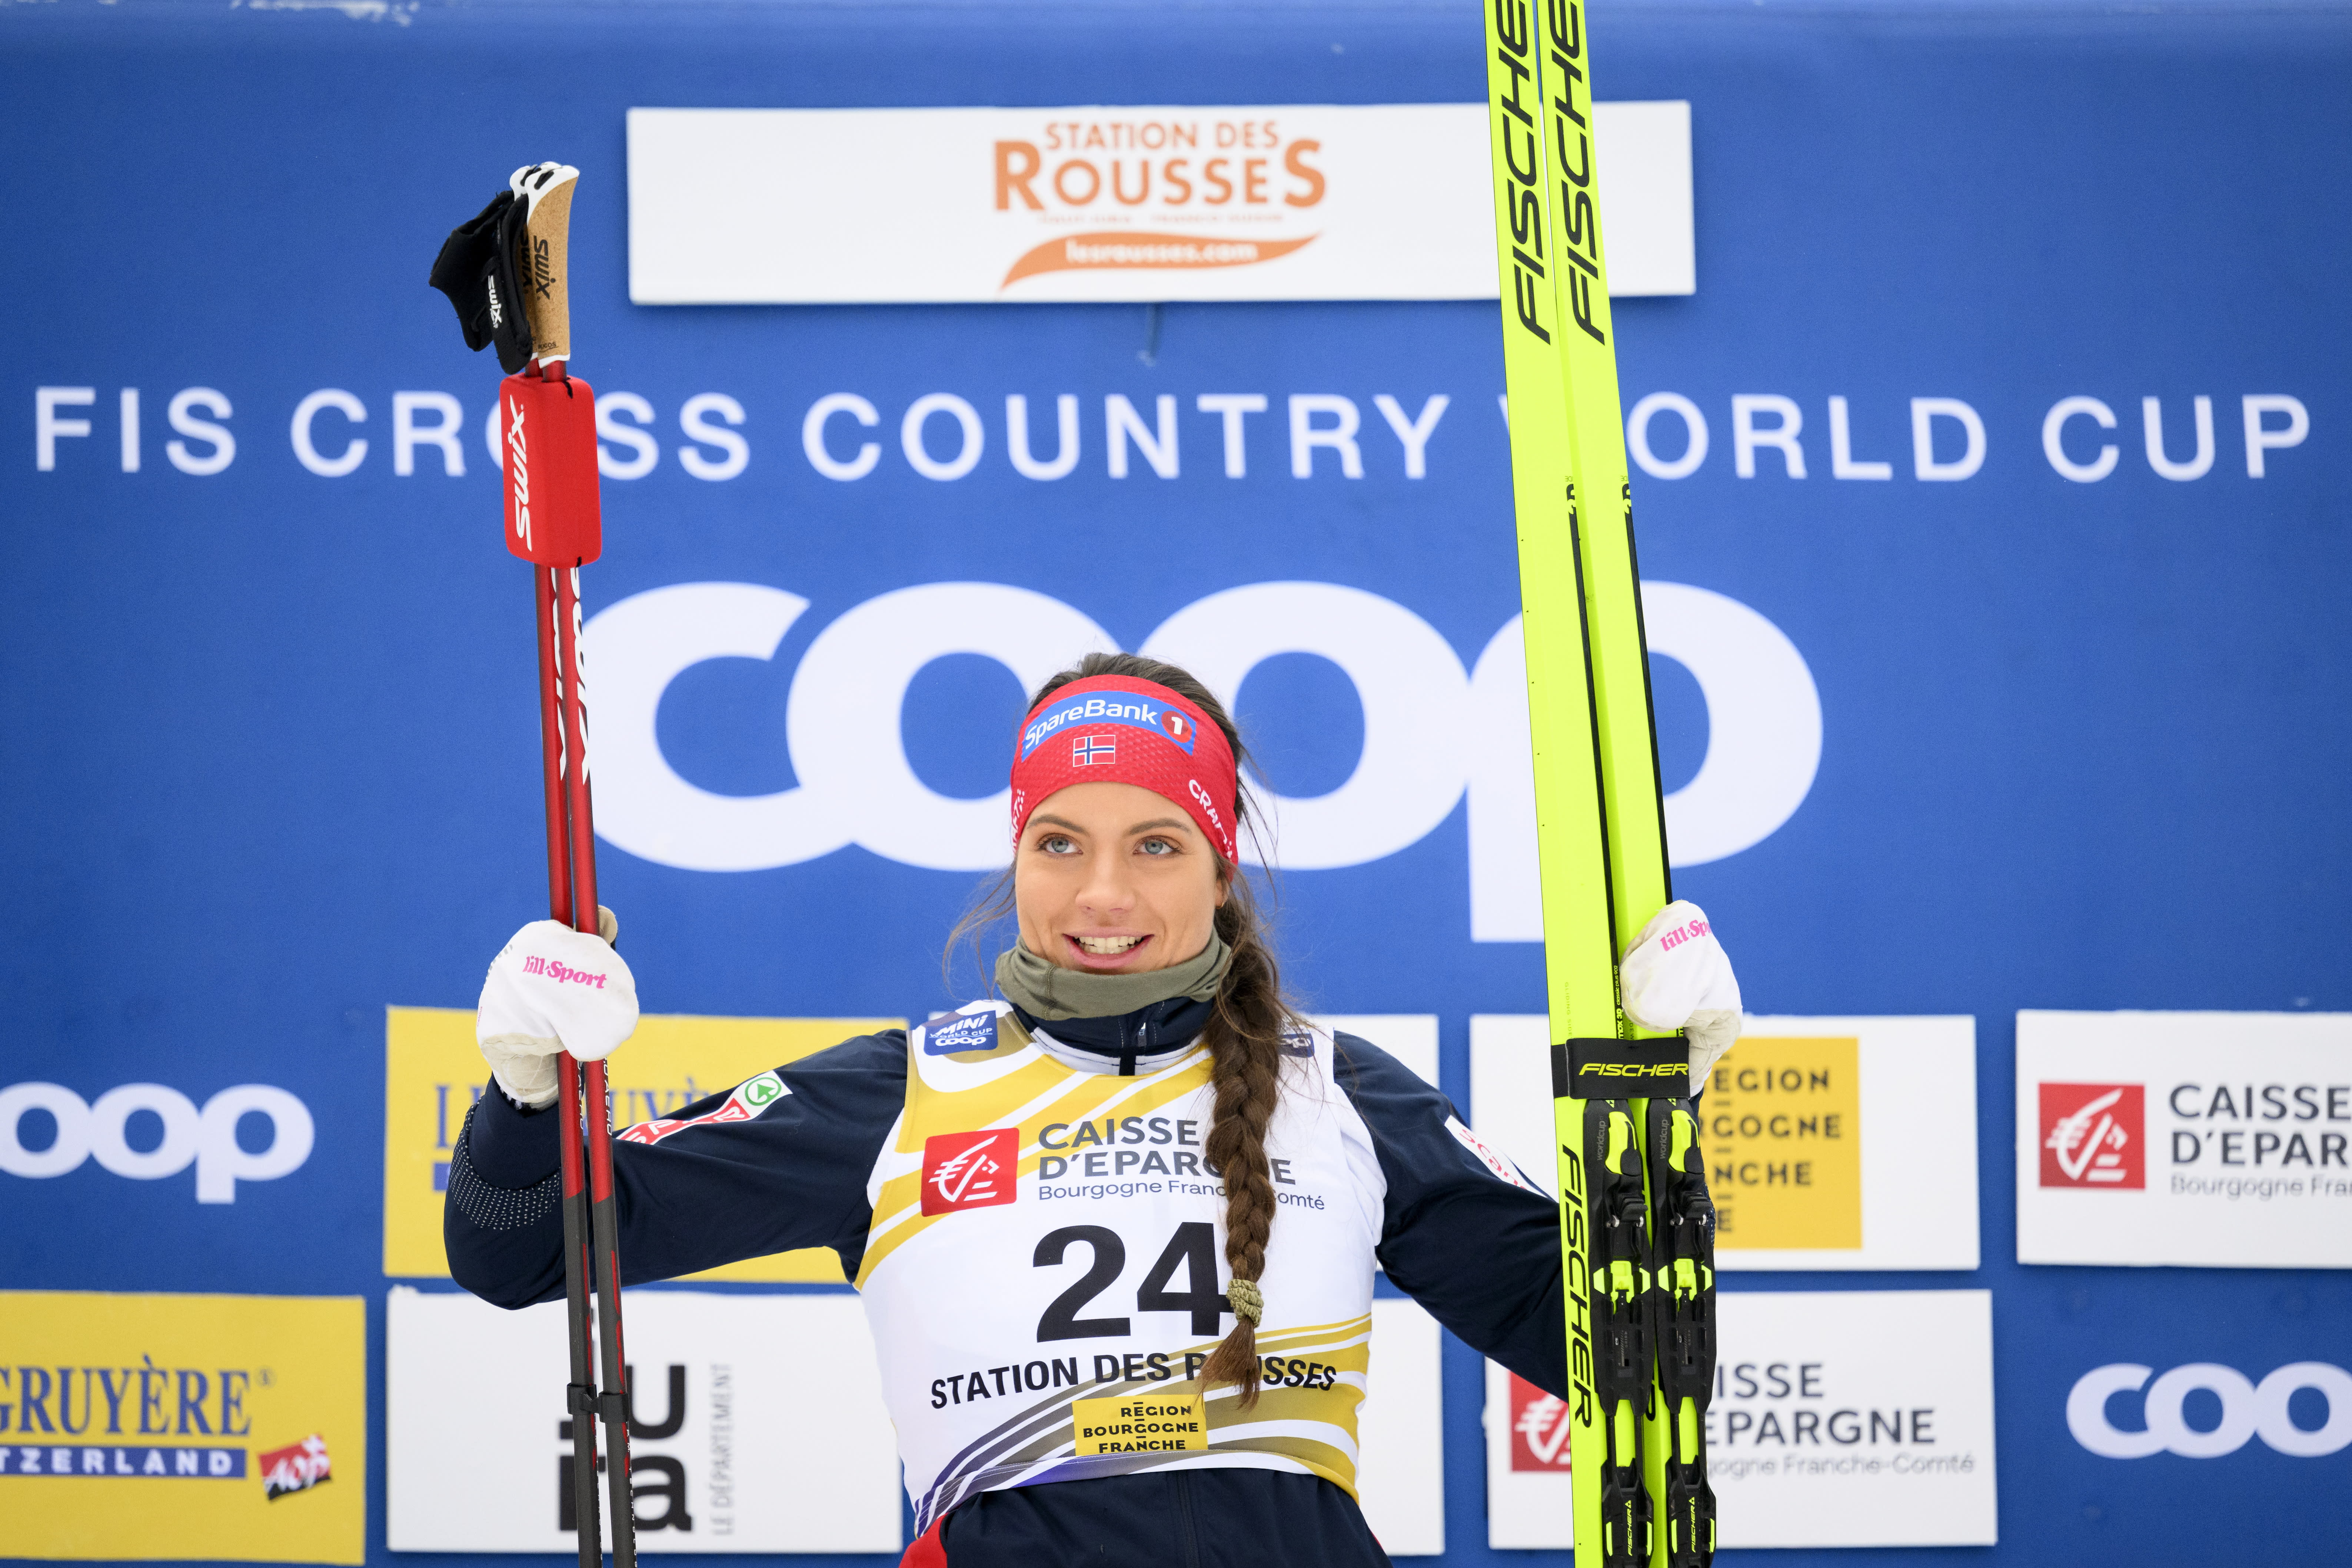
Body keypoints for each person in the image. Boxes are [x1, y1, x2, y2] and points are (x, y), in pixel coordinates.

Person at [448, 652, 1743, 1568]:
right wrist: (524, 1084)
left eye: (1156, 844)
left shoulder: (1336, 1093)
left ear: (1221, 870)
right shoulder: (901, 1092)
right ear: (1015, 854)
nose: (1104, 893)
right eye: (1059, 841)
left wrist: (1660, 1113)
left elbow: (1624, 1350)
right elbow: (518, 1246)